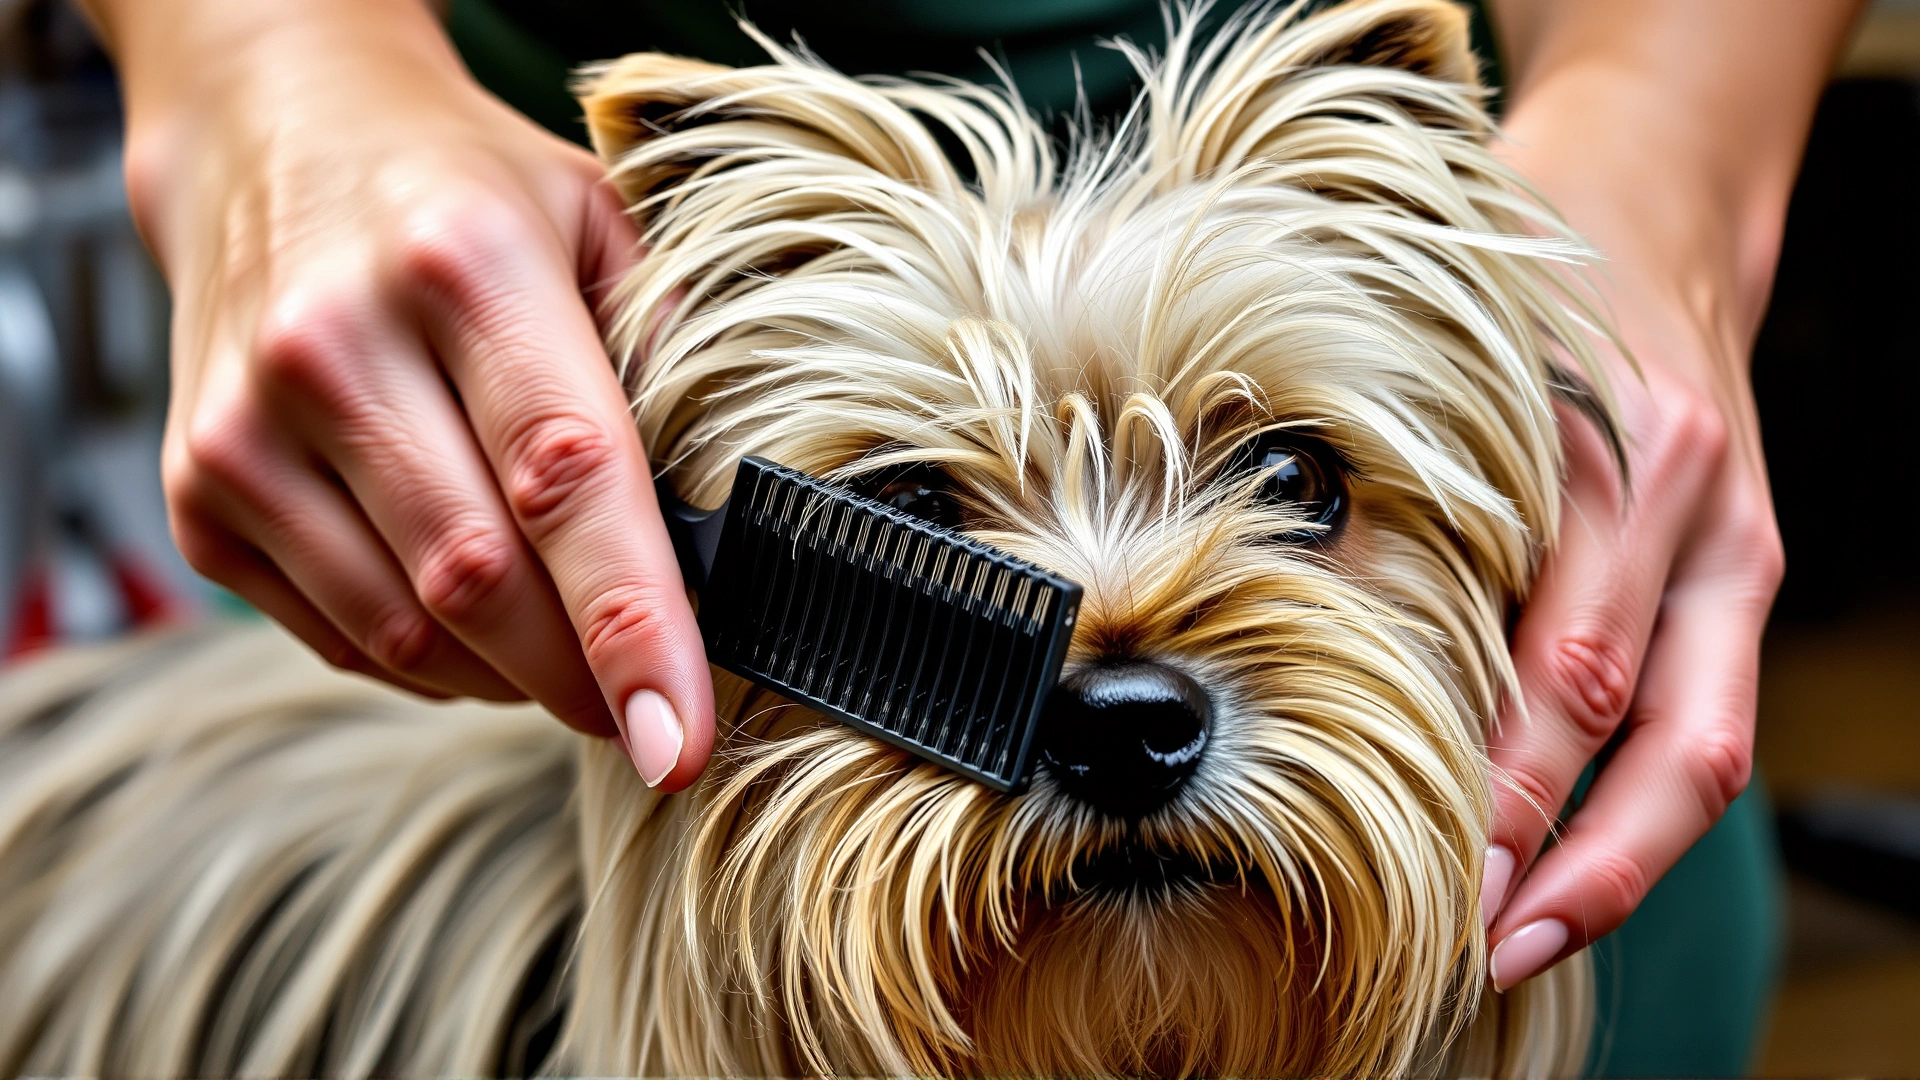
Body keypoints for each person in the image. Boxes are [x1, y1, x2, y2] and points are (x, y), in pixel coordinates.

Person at [75, 0, 1859, 1024]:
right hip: (457, 423)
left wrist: (1674, 136)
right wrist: (256, 65)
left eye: (1296, 490)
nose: (1127, 676)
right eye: (911, 508)